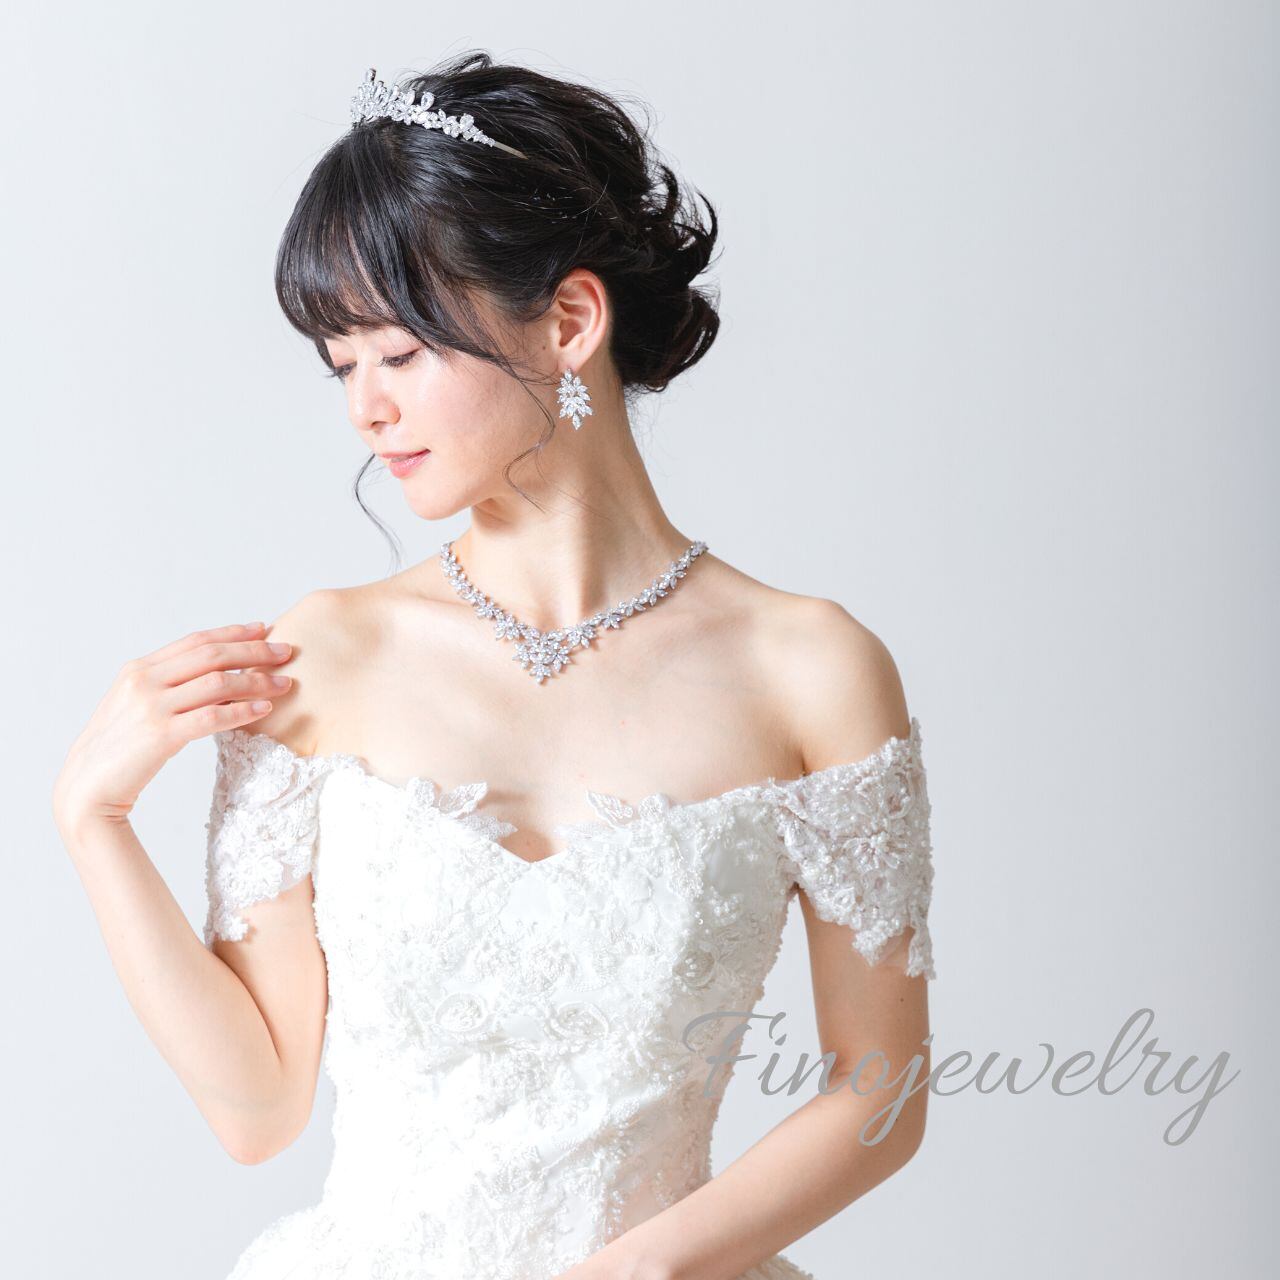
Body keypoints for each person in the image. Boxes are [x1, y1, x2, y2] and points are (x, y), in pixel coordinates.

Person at [51, 50, 937, 1280]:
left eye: (398, 353)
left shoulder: (810, 668)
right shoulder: (328, 655)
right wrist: (92, 819)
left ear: (569, 321)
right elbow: (257, 1106)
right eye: (341, 364)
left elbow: (879, 1088)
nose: (364, 408)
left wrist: (638, 1268)